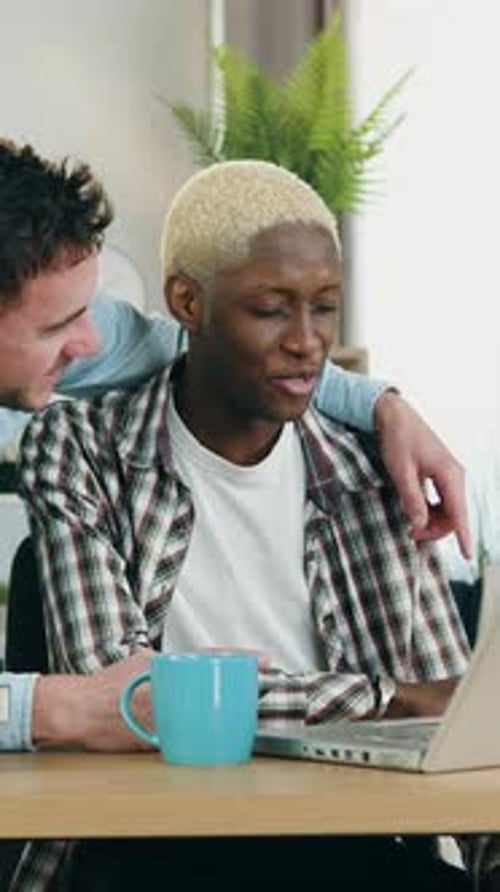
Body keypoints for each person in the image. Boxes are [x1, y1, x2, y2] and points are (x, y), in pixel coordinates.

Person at [15, 160, 473, 890]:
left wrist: (383, 402)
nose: (308, 341)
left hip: (351, 847)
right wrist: (385, 698)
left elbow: (456, 710)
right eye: (270, 309)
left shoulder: (372, 471)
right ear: (188, 301)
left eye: (325, 307)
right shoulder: (82, 449)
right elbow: (125, 700)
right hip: (145, 846)